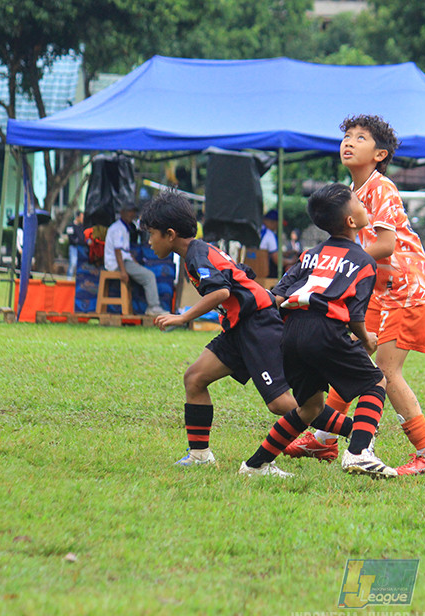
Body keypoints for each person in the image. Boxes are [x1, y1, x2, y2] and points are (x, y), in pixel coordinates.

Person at [139, 190, 366, 471]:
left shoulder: (197, 254)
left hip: (258, 324)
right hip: (239, 327)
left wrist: (180, 317)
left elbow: (221, 291)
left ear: (170, 234)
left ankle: (358, 432)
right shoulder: (196, 252)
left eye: (151, 234)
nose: (149, 241)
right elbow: (237, 277)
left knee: (283, 404)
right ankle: (200, 455)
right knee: (195, 378)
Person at [288, 114, 425, 476]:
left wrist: (336, 262)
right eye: (346, 136)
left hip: (406, 288)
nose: (349, 142)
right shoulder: (352, 194)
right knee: (352, 358)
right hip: (380, 288)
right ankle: (325, 438)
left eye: (360, 138)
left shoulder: (382, 188)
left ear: (380, 154)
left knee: (387, 372)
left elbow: (387, 244)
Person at [242, 183, 397, 478]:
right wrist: (366, 340)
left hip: (292, 333)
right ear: (352, 221)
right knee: (375, 382)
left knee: (310, 408)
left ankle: (255, 464)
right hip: (324, 329)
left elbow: (277, 296)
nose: (364, 206)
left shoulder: (309, 254)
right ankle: (359, 453)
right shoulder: (364, 261)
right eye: (359, 204)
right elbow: (354, 315)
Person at [104, 203, 167, 316]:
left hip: (124, 261)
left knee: (145, 273)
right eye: (129, 211)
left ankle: (149, 307)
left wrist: (134, 262)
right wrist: (123, 271)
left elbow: (125, 250)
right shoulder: (118, 228)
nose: (131, 214)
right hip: (118, 263)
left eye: (133, 211)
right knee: (149, 276)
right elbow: (118, 251)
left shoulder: (124, 227)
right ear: (122, 212)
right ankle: (153, 307)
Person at [260, 210, 280, 278]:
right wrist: (291, 261)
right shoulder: (270, 234)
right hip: (264, 273)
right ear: (273, 222)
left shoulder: (257, 229)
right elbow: (277, 260)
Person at [66, 210, 85, 277]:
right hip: (74, 247)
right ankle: (69, 278)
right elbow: (70, 237)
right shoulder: (70, 226)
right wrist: (76, 241)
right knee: (73, 263)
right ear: (77, 217)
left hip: (81, 248)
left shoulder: (82, 227)